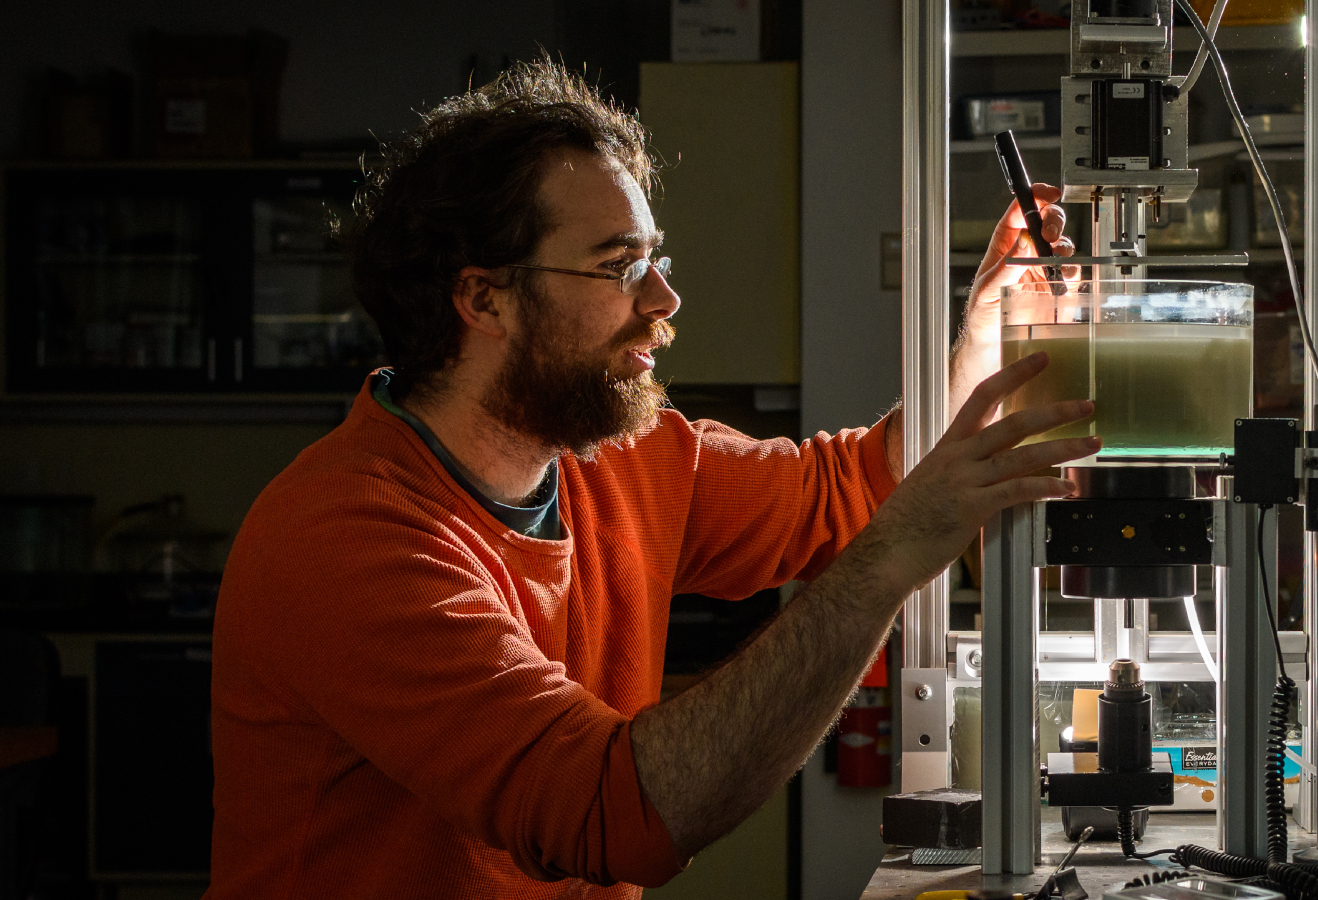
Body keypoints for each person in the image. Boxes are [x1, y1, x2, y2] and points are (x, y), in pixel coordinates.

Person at [208, 58, 1082, 898]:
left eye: (656, 259)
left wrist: (983, 342)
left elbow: (849, 490)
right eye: (620, 265)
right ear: (483, 300)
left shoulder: (615, 457)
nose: (663, 299)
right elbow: (607, 818)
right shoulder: (348, 539)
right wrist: (892, 560)